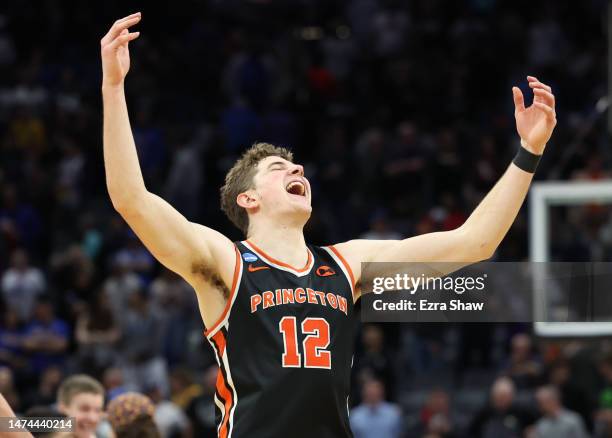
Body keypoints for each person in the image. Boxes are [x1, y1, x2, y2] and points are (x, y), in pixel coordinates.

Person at [100, 11, 557, 437]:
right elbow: (131, 200)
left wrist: (528, 152)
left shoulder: (347, 264)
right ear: (249, 198)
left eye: (297, 168)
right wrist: (114, 86)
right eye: (279, 168)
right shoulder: (226, 260)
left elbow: (474, 244)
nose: (297, 172)